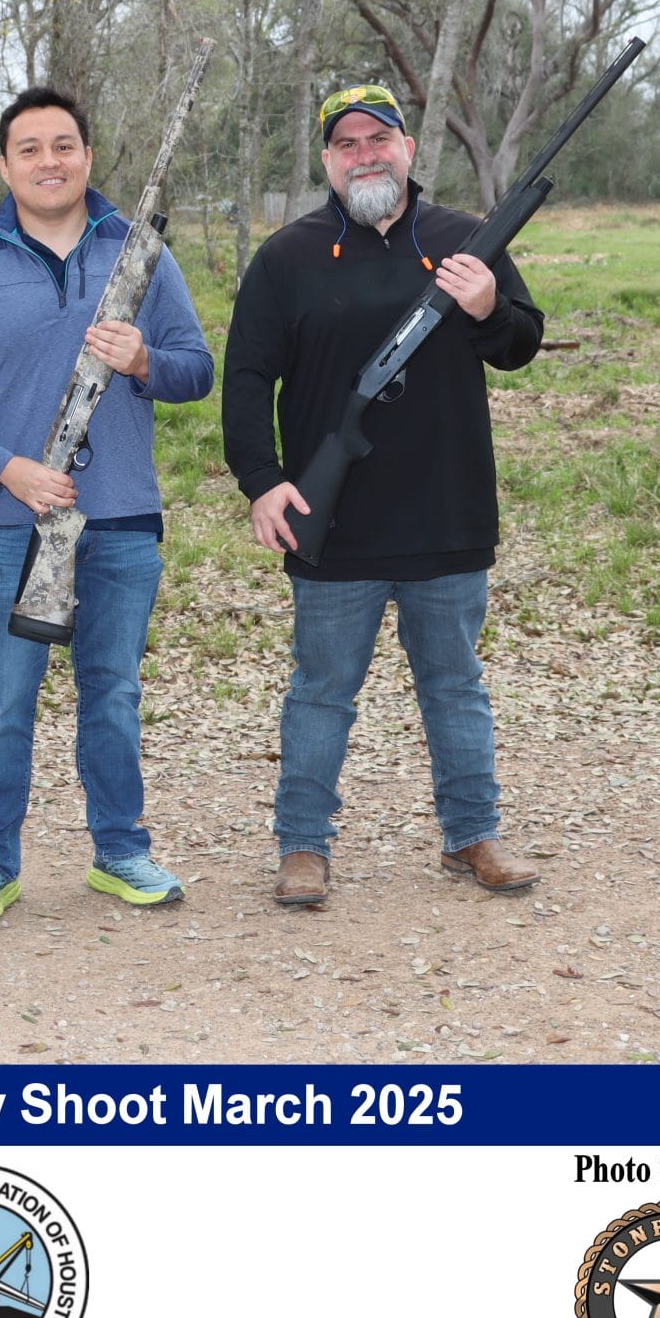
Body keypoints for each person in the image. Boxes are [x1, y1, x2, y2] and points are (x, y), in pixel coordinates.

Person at [221, 82, 547, 906]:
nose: (365, 154)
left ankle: (473, 835)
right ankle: (303, 846)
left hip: (448, 512)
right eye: (347, 143)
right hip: (334, 522)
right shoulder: (286, 257)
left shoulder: (466, 239)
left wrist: (486, 305)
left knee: (455, 685)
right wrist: (263, 482)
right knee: (321, 692)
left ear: (408, 149)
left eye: (379, 139)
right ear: (327, 161)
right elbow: (247, 378)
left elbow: (519, 344)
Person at [0, 85, 213, 923]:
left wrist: (145, 359)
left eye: (64, 145)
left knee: (112, 695)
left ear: (87, 156)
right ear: (6, 166)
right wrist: (7, 470)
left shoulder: (140, 252)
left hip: (124, 518)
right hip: (16, 524)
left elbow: (196, 369)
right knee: (6, 703)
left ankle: (120, 850)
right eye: (30, 148)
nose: (50, 161)